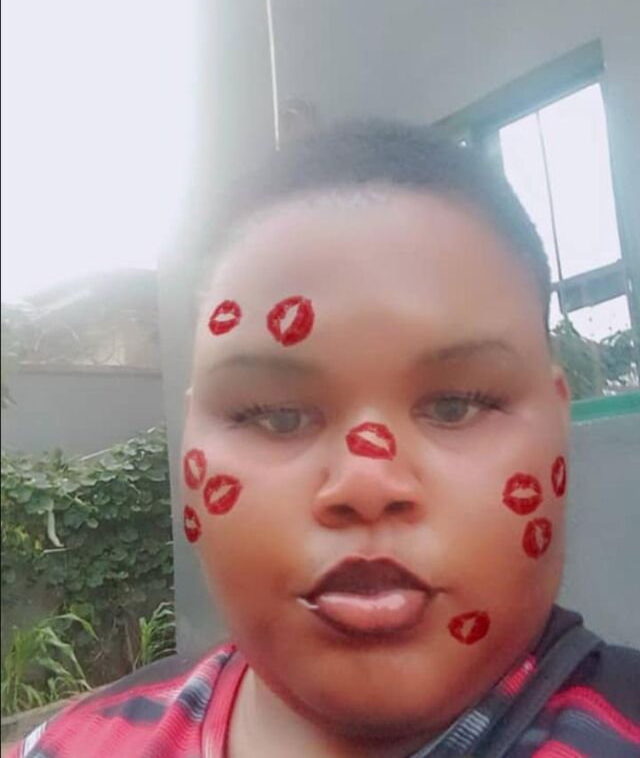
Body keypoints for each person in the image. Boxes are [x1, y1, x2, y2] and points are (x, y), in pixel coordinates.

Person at [7, 121, 640, 757]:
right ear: (189, 448)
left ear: (558, 429)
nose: (367, 482)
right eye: (278, 416)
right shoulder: (72, 745)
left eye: (455, 406)